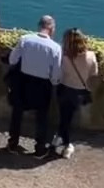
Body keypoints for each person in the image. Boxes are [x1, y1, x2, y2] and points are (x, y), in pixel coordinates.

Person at [6, 15, 62, 157]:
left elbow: (12, 59)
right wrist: (53, 83)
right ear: (52, 29)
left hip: (23, 82)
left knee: (17, 113)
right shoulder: (55, 48)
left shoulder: (25, 39)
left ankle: (12, 144)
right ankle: (39, 148)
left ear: (39, 26)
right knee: (42, 117)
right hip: (42, 86)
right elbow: (55, 75)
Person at [55, 29, 99, 160]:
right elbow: (93, 74)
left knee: (64, 116)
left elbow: (58, 73)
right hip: (79, 91)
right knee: (68, 118)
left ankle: (66, 143)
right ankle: (62, 139)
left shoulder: (63, 55)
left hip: (64, 89)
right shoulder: (91, 56)